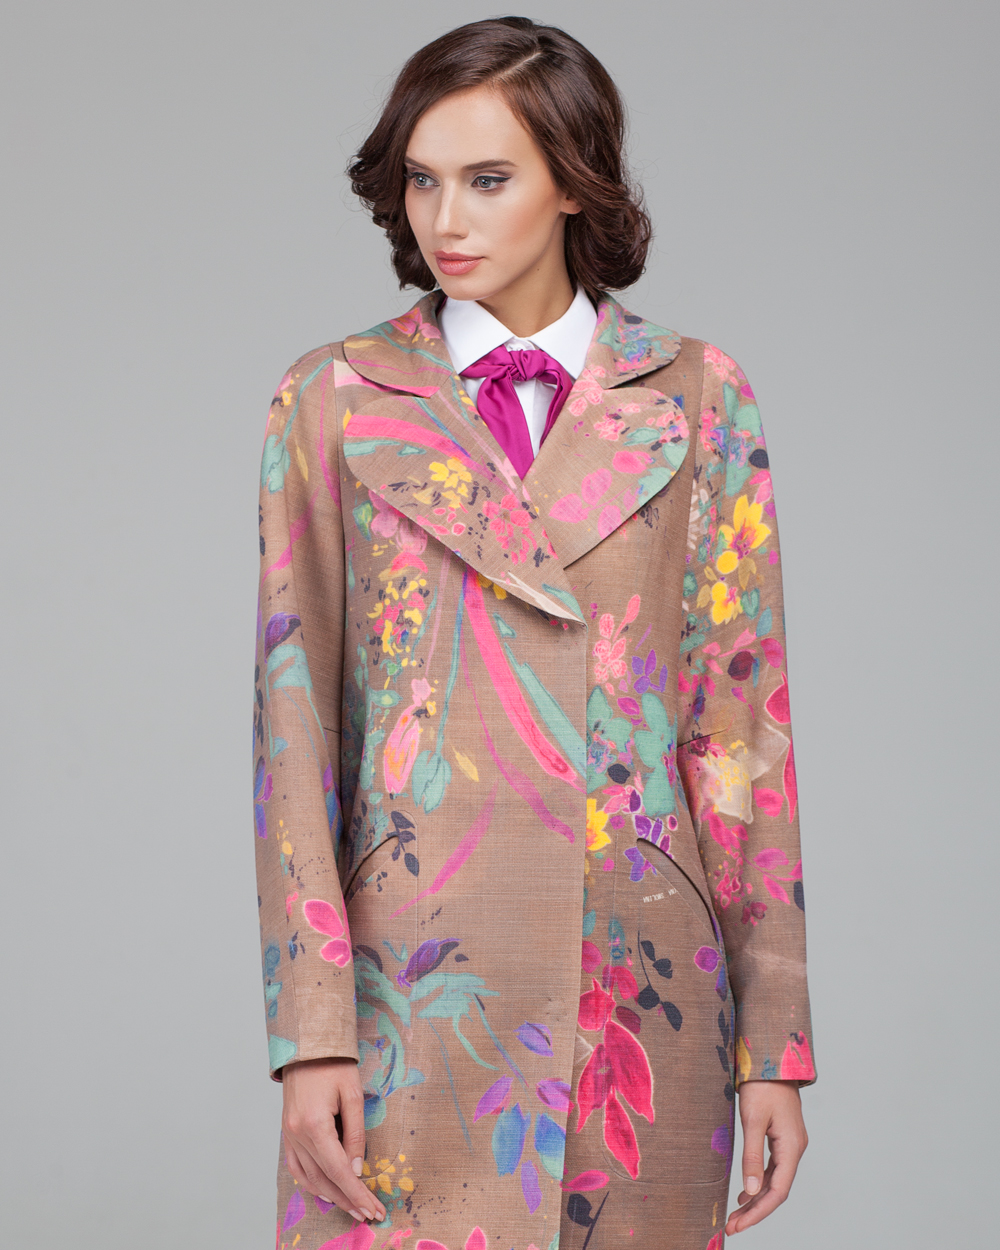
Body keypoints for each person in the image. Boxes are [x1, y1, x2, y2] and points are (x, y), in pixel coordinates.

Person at [253, 17, 814, 1250]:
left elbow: (741, 736)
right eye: (422, 178)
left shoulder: (698, 396)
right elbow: (293, 737)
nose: (443, 218)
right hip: (413, 992)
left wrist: (773, 1041)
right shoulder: (335, 399)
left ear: (572, 180)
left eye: (488, 178)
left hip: (640, 990)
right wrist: (311, 1032)